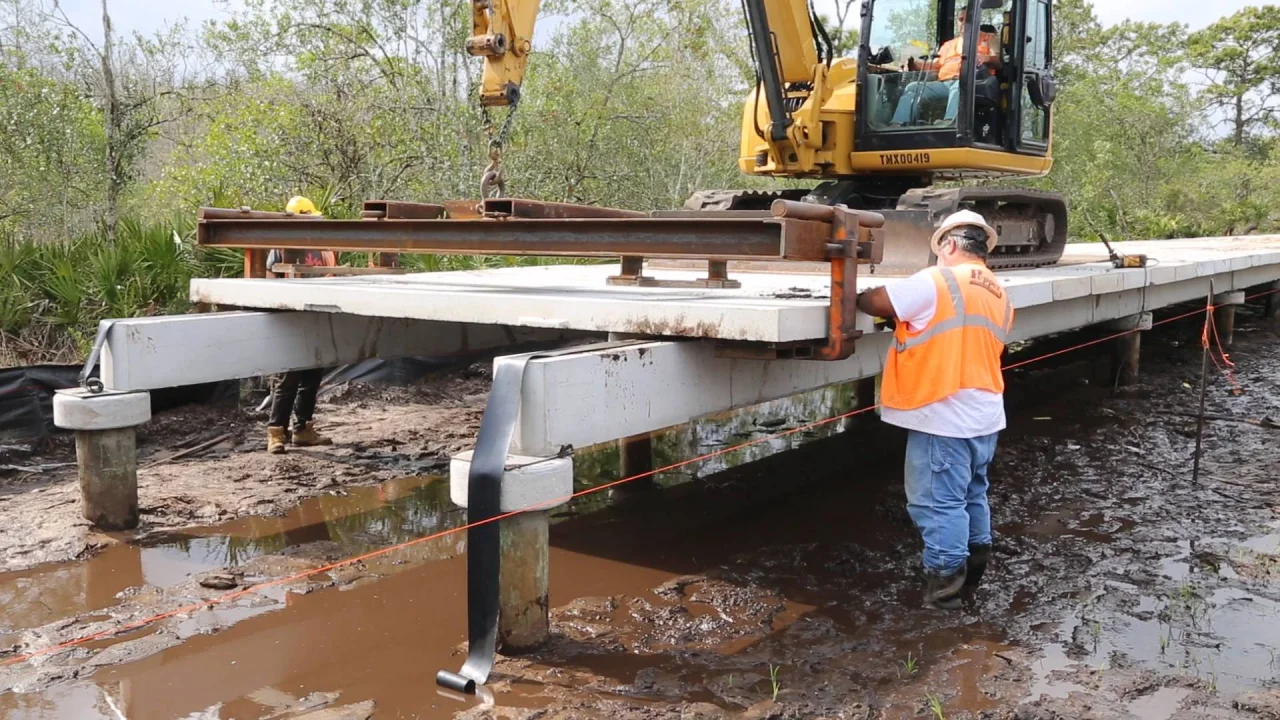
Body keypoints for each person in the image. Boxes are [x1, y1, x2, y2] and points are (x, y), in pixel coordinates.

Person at [855, 210, 1014, 609]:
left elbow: (876, 302)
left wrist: (859, 296)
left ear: (950, 244)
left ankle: (944, 594)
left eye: (940, 250)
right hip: (984, 413)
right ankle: (973, 574)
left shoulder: (939, 280)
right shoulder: (999, 291)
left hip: (943, 413)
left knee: (937, 504)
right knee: (972, 494)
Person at [265, 196, 337, 455]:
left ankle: (303, 429)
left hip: (316, 315)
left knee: (312, 377)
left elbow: (332, 277)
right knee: (288, 379)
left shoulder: (323, 247)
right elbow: (271, 281)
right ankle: (276, 433)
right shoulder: (280, 246)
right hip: (291, 319)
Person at [889, 7, 1001, 127]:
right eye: (961, 20)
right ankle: (897, 124)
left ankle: (949, 123)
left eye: (968, 19)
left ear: (976, 20)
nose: (964, 23)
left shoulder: (989, 38)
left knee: (960, 85)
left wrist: (986, 58)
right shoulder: (948, 45)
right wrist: (914, 64)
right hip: (944, 84)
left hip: (971, 83)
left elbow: (999, 62)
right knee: (913, 87)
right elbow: (935, 65)